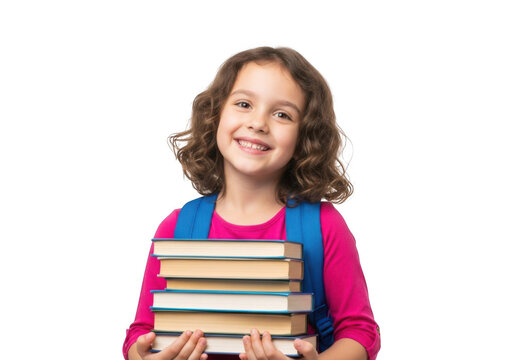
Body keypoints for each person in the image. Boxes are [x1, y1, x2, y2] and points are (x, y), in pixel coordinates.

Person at [123, 46, 381, 360]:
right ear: (216, 115)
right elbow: (140, 333)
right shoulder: (178, 227)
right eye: (244, 104)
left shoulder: (324, 226)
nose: (258, 123)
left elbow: (358, 332)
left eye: (282, 114)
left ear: (304, 138)